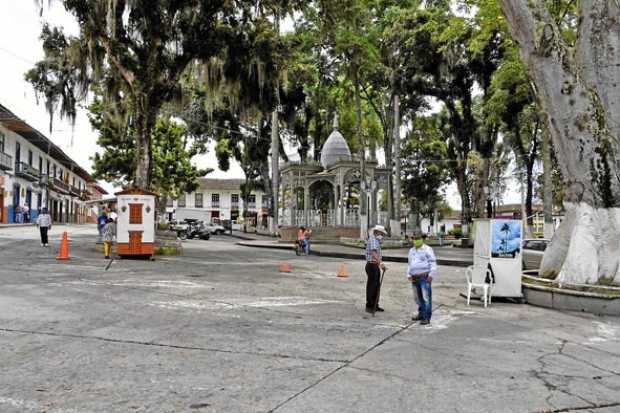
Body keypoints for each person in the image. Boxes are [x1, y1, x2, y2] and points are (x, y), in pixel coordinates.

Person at [406, 231, 437, 325]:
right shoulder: (411, 250)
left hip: (424, 277)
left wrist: (431, 275)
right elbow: (409, 264)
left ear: (422, 239)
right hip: (414, 278)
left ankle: (426, 317)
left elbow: (433, 263)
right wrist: (408, 275)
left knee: (426, 298)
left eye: (418, 238)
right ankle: (421, 314)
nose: (415, 240)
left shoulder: (428, 249)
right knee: (418, 298)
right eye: (414, 239)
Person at [365, 225, 387, 313]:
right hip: (372, 265)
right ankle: (370, 305)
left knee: (375, 286)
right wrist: (380, 263)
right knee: (372, 287)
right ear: (377, 232)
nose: (382, 235)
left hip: (374, 265)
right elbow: (373, 253)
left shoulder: (375, 240)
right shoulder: (373, 240)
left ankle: (374, 304)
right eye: (381, 233)